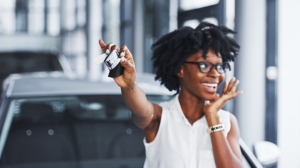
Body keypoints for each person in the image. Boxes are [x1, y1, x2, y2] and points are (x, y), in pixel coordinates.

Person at [99, 22, 243, 168]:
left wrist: (212, 117)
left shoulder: (227, 122)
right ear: (180, 69)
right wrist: (130, 86)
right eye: (204, 66)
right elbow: (141, 109)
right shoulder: (160, 118)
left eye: (220, 66)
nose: (215, 74)